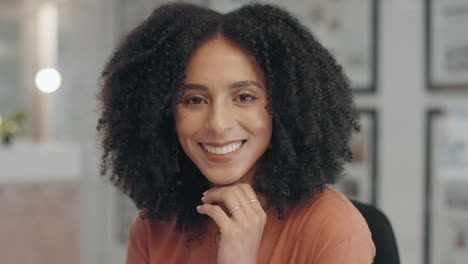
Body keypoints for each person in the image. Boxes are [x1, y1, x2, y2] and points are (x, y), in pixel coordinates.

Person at [96, 2, 375, 263]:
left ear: (284, 106)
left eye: (243, 97)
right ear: (164, 114)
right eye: (194, 100)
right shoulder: (153, 227)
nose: (218, 124)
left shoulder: (332, 227)